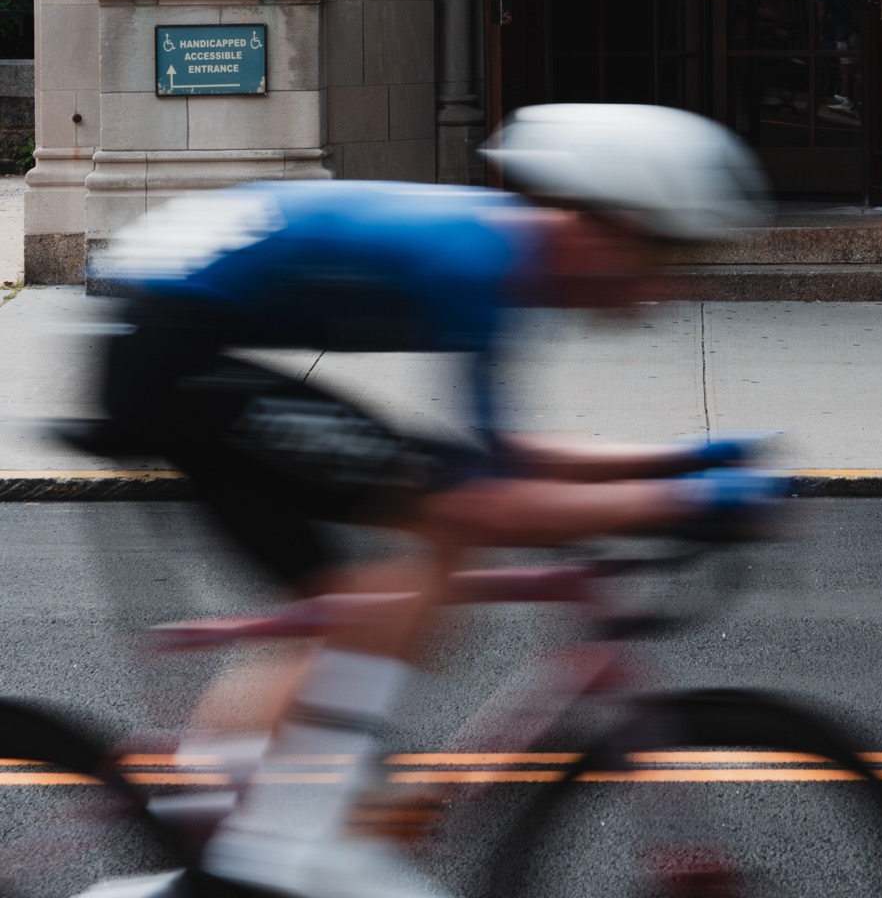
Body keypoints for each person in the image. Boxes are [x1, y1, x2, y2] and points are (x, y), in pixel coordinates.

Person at [77, 104, 781, 898]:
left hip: (172, 340)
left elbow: (503, 459)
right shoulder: (476, 263)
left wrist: (681, 460)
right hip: (171, 356)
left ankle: (243, 821)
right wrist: (681, 503)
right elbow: (484, 502)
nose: (664, 288)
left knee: (361, 586)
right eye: (659, 254)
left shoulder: (508, 258)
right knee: (431, 529)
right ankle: (274, 852)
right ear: (597, 226)